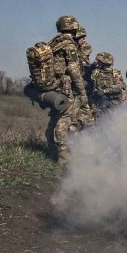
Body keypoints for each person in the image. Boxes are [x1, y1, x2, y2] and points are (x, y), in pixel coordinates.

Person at [46, 15, 89, 163]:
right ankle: (63, 156)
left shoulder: (54, 42)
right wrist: (82, 91)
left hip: (52, 87)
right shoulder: (69, 45)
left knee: (54, 118)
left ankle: (50, 149)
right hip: (64, 87)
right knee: (64, 119)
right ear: (73, 27)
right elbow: (73, 69)